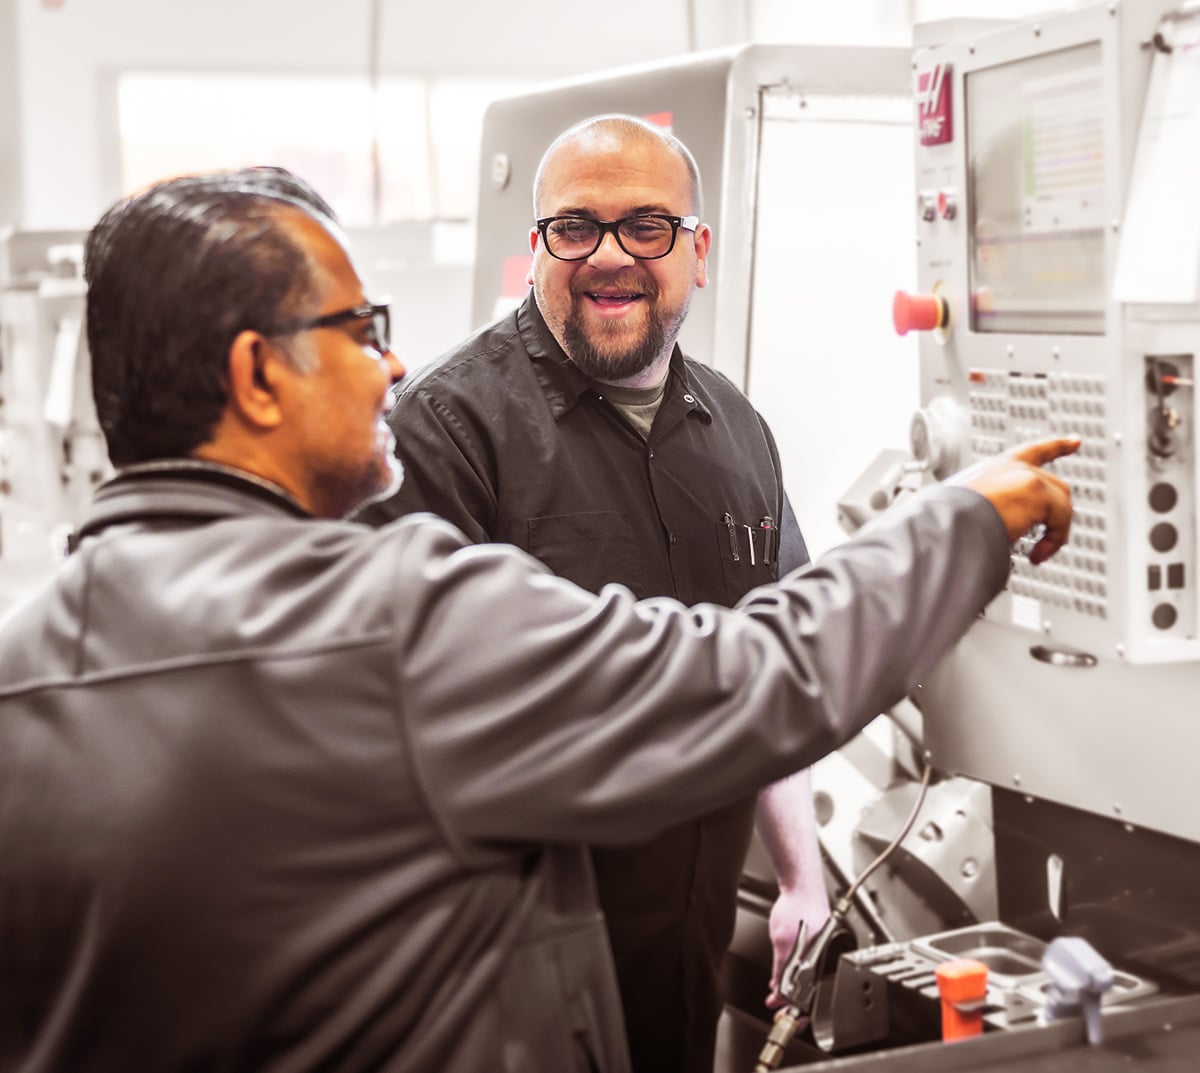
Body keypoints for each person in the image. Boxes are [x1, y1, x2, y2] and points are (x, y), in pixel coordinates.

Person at [0, 165, 1076, 1073]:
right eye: (358, 327)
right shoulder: (393, 619)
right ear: (256, 375)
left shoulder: (24, 664)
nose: (389, 362)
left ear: (695, 248)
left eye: (648, 225)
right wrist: (966, 520)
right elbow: (753, 674)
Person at [355, 114, 819, 1071]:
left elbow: (773, 671)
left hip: (685, 950)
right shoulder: (445, 432)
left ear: (697, 249)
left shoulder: (737, 429)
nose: (610, 256)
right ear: (537, 248)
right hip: (513, 981)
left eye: (646, 226)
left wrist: (800, 879)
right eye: (576, 228)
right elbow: (398, 736)